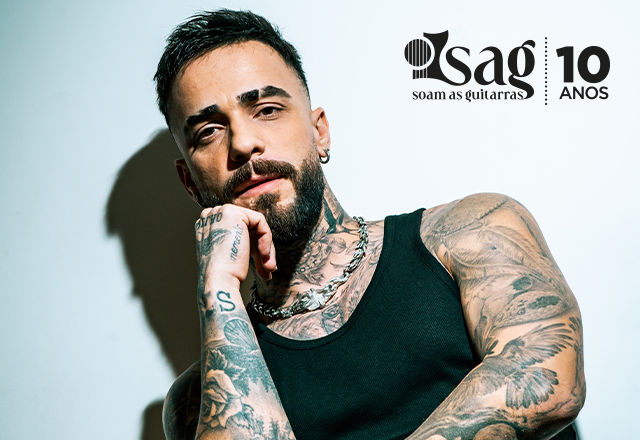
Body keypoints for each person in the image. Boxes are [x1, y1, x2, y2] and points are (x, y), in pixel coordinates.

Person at [153, 9, 585, 440]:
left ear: (320, 132)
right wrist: (218, 290)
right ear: (190, 182)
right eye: (208, 131)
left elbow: (547, 381)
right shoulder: (198, 400)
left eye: (267, 109)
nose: (244, 143)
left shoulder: (470, 231)